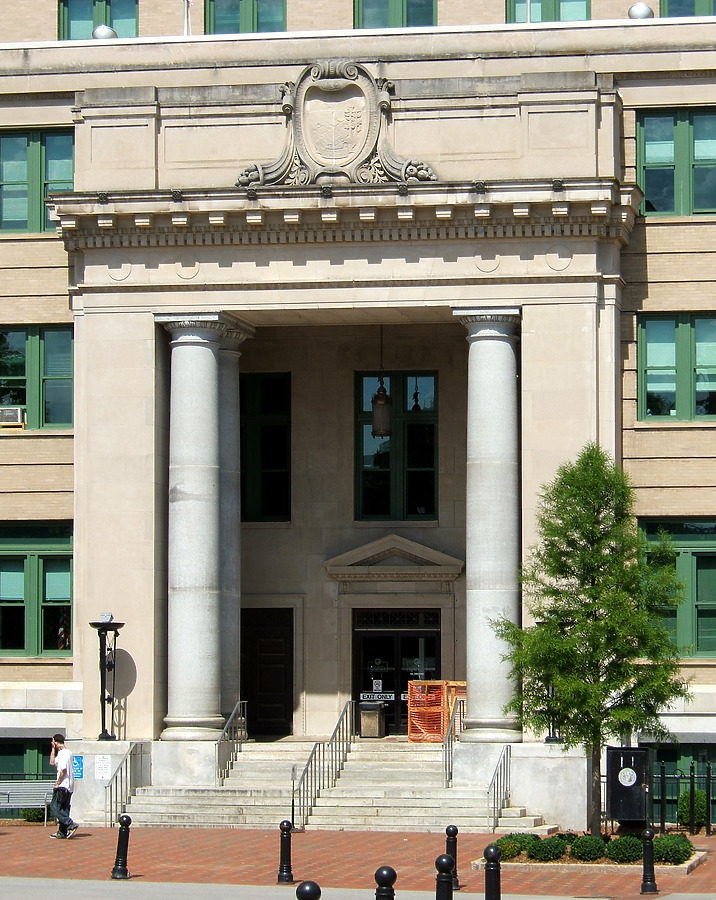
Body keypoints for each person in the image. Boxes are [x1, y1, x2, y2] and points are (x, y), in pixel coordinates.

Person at [49, 733, 78, 839]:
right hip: (69, 786)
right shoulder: (66, 753)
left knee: (54, 807)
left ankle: (70, 823)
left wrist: (57, 783)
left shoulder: (63, 754)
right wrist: (53, 749)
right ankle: (62, 832)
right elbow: (52, 762)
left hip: (63, 786)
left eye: (53, 742)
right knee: (64, 808)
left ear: (55, 742)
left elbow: (63, 770)